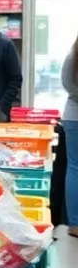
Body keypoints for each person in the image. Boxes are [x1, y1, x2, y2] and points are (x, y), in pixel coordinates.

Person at [61, 39, 78, 236]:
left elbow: (67, 84)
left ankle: (75, 224)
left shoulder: (73, 55)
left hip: (74, 115)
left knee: (74, 168)